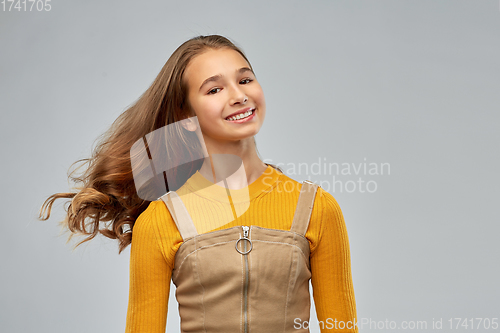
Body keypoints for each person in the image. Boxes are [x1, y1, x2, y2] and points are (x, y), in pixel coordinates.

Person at [39, 35, 358, 332]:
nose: (239, 95)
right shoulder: (161, 221)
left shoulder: (316, 207)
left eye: (245, 80)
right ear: (185, 114)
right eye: (214, 89)